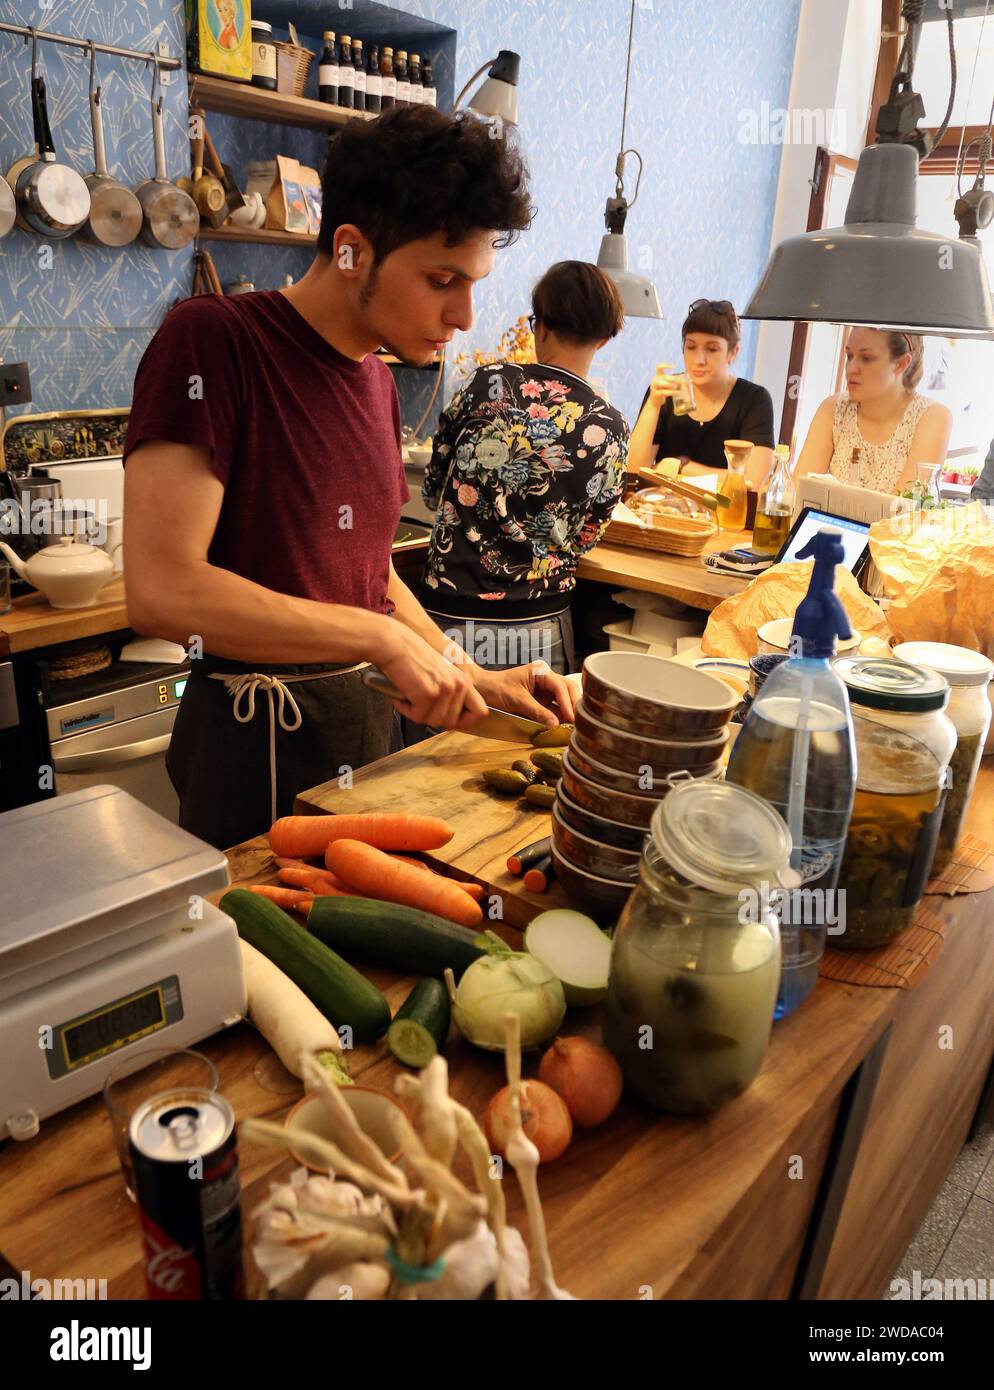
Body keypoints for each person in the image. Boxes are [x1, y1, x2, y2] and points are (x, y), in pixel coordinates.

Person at [123, 107, 576, 850]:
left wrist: (463, 670)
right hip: (251, 746)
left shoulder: (374, 382)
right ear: (351, 252)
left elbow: (369, 576)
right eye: (441, 279)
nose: (464, 314)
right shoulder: (212, 342)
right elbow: (163, 589)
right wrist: (377, 639)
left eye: (473, 283)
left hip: (362, 737)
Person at [414, 261, 628, 675]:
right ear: (602, 341)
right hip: (538, 625)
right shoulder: (611, 426)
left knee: (439, 740)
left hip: (450, 620)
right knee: (533, 736)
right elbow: (587, 536)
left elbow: (432, 487)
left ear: (541, 326)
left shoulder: (484, 383)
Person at [627, 299, 774, 487]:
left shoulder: (754, 399)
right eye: (690, 347)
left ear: (733, 352)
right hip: (662, 508)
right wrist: (654, 405)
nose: (699, 359)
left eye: (712, 349)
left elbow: (753, 480)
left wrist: (680, 466)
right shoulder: (667, 392)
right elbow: (633, 471)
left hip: (723, 513)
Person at [794, 328, 952, 493]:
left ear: (901, 364)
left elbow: (905, 510)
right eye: (850, 356)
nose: (851, 368)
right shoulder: (834, 408)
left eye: (866, 358)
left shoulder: (931, 417)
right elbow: (799, 492)